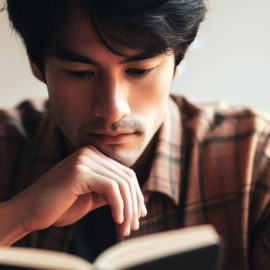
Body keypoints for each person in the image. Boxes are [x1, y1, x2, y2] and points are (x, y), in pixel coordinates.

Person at [0, 0, 269, 269]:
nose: (113, 110)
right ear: (37, 66)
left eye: (139, 71)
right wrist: (16, 218)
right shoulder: (6, 146)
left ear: (180, 59)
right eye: (80, 73)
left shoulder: (254, 160)